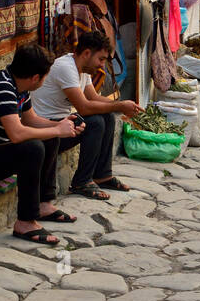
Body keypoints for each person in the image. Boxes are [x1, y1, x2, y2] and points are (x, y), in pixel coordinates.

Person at [0, 43, 82, 245]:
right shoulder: (2, 87)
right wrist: (56, 129)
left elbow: (31, 120)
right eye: (45, 77)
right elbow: (17, 134)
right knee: (33, 148)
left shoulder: (17, 85)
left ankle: (43, 203)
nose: (44, 80)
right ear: (35, 77)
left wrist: (62, 124)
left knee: (50, 137)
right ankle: (25, 222)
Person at [29, 30, 143, 202]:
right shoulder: (65, 68)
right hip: (47, 130)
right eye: (101, 59)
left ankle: (102, 175)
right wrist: (119, 106)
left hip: (62, 125)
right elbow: (84, 107)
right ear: (87, 53)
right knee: (95, 122)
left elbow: (95, 98)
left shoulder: (82, 69)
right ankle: (82, 181)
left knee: (107, 117)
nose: (102, 65)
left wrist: (122, 105)